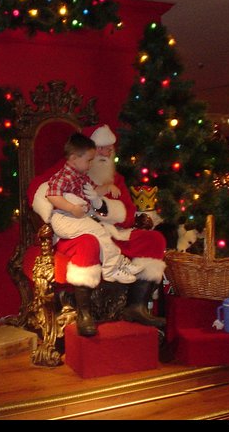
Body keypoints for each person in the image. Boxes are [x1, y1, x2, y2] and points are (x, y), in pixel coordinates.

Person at [46, 133, 143, 337]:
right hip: (64, 220)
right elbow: (52, 195)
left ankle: (116, 264)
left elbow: (92, 191)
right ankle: (112, 267)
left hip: (75, 218)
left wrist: (105, 188)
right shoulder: (64, 175)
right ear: (73, 158)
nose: (90, 164)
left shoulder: (80, 176)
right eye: (88, 159)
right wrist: (72, 208)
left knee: (102, 232)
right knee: (98, 232)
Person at [81, 124, 167, 329]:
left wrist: (108, 207)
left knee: (155, 239)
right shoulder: (78, 175)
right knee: (92, 243)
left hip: (117, 233)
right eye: (101, 148)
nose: (105, 153)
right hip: (90, 232)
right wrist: (98, 194)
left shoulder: (117, 180)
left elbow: (128, 216)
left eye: (109, 149)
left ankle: (136, 305)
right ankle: (84, 313)